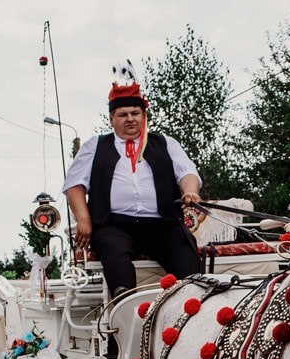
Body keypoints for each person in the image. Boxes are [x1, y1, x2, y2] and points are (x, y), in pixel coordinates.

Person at [62, 79, 203, 298]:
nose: (130, 119)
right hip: (113, 225)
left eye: (135, 113)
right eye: (123, 114)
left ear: (144, 117)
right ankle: (123, 309)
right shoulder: (94, 146)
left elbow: (187, 173)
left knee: (187, 259)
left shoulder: (166, 143)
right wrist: (83, 220)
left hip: (162, 225)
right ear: (111, 119)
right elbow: (74, 184)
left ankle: (193, 303)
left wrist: (190, 191)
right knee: (114, 252)